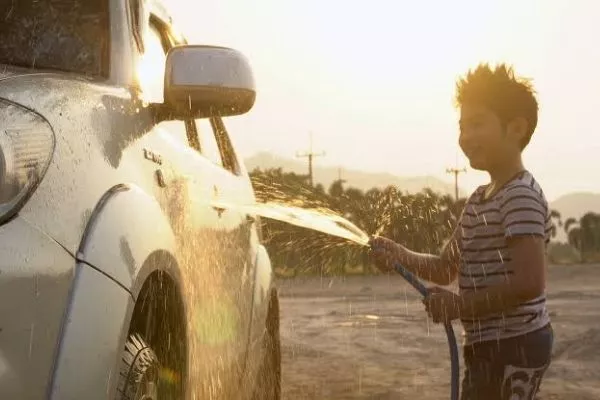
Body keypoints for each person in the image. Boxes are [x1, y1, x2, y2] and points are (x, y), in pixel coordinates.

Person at [370, 63, 554, 400]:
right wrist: (399, 254)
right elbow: (445, 267)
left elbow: (530, 283)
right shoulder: (478, 201)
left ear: (515, 127)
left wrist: (460, 306)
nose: (465, 137)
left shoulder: (520, 195)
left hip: (516, 346)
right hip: (487, 346)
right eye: (462, 126)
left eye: (477, 124)